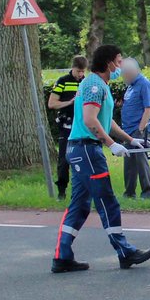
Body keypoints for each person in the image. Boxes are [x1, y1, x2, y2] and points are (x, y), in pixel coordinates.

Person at [51, 43, 150, 274]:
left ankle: (62, 256)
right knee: (107, 200)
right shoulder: (94, 86)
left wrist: (129, 139)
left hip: (81, 149)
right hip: (87, 150)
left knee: (79, 206)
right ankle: (125, 252)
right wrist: (111, 144)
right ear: (108, 63)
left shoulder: (100, 85)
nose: (121, 66)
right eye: (118, 61)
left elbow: (106, 121)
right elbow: (90, 120)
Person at [47, 56, 88, 200]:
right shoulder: (62, 81)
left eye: (83, 72)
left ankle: (81, 191)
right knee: (64, 159)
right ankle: (61, 191)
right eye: (78, 71)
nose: (80, 75)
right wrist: (70, 103)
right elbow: (52, 104)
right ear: (73, 68)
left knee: (83, 158)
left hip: (82, 127)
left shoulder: (86, 82)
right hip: (66, 126)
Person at [118, 56, 150, 199]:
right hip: (128, 129)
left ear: (131, 72)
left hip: (139, 129)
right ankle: (129, 192)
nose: (123, 77)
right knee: (129, 161)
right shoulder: (130, 86)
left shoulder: (144, 84)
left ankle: (147, 192)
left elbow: (148, 108)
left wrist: (141, 128)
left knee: (141, 161)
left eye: (124, 74)